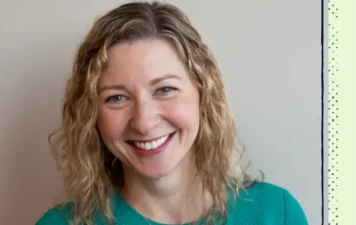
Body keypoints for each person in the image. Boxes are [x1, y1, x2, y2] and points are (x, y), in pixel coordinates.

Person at [36, 1, 308, 225]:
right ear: (90, 115)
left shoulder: (276, 213)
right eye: (116, 98)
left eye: (165, 89)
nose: (143, 122)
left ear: (204, 93)